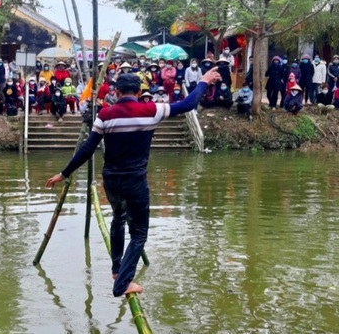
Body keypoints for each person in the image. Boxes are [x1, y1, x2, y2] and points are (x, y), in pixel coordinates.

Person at [45, 69, 222, 297]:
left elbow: (88, 149)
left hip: (111, 182)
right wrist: (204, 82)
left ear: (116, 92)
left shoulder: (106, 115)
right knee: (139, 234)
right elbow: (188, 104)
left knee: (118, 218)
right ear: (139, 92)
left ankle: (117, 270)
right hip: (135, 182)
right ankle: (122, 284)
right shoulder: (151, 110)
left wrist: (64, 173)